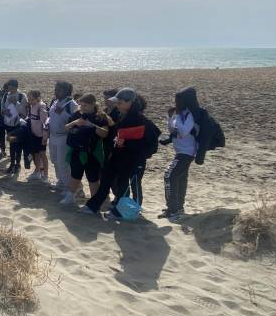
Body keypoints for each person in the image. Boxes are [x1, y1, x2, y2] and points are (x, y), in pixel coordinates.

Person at [81, 89, 160, 218]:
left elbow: (152, 143)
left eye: (120, 103)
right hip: (117, 156)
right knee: (106, 179)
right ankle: (93, 206)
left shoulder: (141, 119)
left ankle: (125, 211)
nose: (117, 105)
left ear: (130, 102)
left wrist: (135, 151)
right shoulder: (120, 115)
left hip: (133, 159)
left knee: (127, 184)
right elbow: (115, 134)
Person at [59, 94, 109, 205]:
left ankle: (94, 201)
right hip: (76, 150)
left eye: (85, 105)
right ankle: (70, 197)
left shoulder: (100, 116)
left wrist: (90, 125)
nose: (82, 108)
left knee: (93, 178)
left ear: (93, 105)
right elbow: (66, 128)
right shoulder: (77, 114)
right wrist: (75, 122)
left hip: (92, 152)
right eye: (81, 105)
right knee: (75, 175)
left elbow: (104, 133)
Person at [160, 87, 199, 225]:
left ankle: (173, 209)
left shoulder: (189, 115)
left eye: (177, 101)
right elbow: (172, 130)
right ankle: (176, 208)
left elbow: (182, 131)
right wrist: (170, 117)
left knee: (169, 176)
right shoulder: (180, 114)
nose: (174, 103)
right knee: (180, 178)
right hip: (180, 151)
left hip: (187, 152)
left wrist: (176, 116)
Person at [46, 81, 79, 190]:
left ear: (66, 91)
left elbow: (77, 121)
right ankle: (60, 181)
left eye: (58, 90)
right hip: (53, 136)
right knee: (54, 160)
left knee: (63, 163)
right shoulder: (54, 101)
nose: (55, 92)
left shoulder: (72, 104)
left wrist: (63, 113)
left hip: (64, 137)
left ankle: (68, 187)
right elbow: (50, 117)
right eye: (55, 89)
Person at [1, 79, 28, 174]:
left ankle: (17, 164)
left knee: (18, 144)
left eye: (12, 86)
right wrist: (5, 112)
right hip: (8, 123)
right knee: (11, 144)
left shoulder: (22, 96)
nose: (10, 88)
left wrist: (16, 102)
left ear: (16, 86)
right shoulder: (5, 95)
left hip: (18, 124)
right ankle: (12, 163)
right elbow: (2, 108)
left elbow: (25, 112)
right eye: (9, 86)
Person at [25, 90, 49, 182]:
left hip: (41, 136)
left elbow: (45, 123)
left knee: (43, 155)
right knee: (36, 154)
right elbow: (32, 118)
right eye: (28, 99)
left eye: (31, 99)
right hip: (34, 134)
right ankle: (37, 172)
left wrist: (44, 137)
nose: (29, 101)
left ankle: (45, 176)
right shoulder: (32, 106)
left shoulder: (41, 107)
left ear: (37, 98)